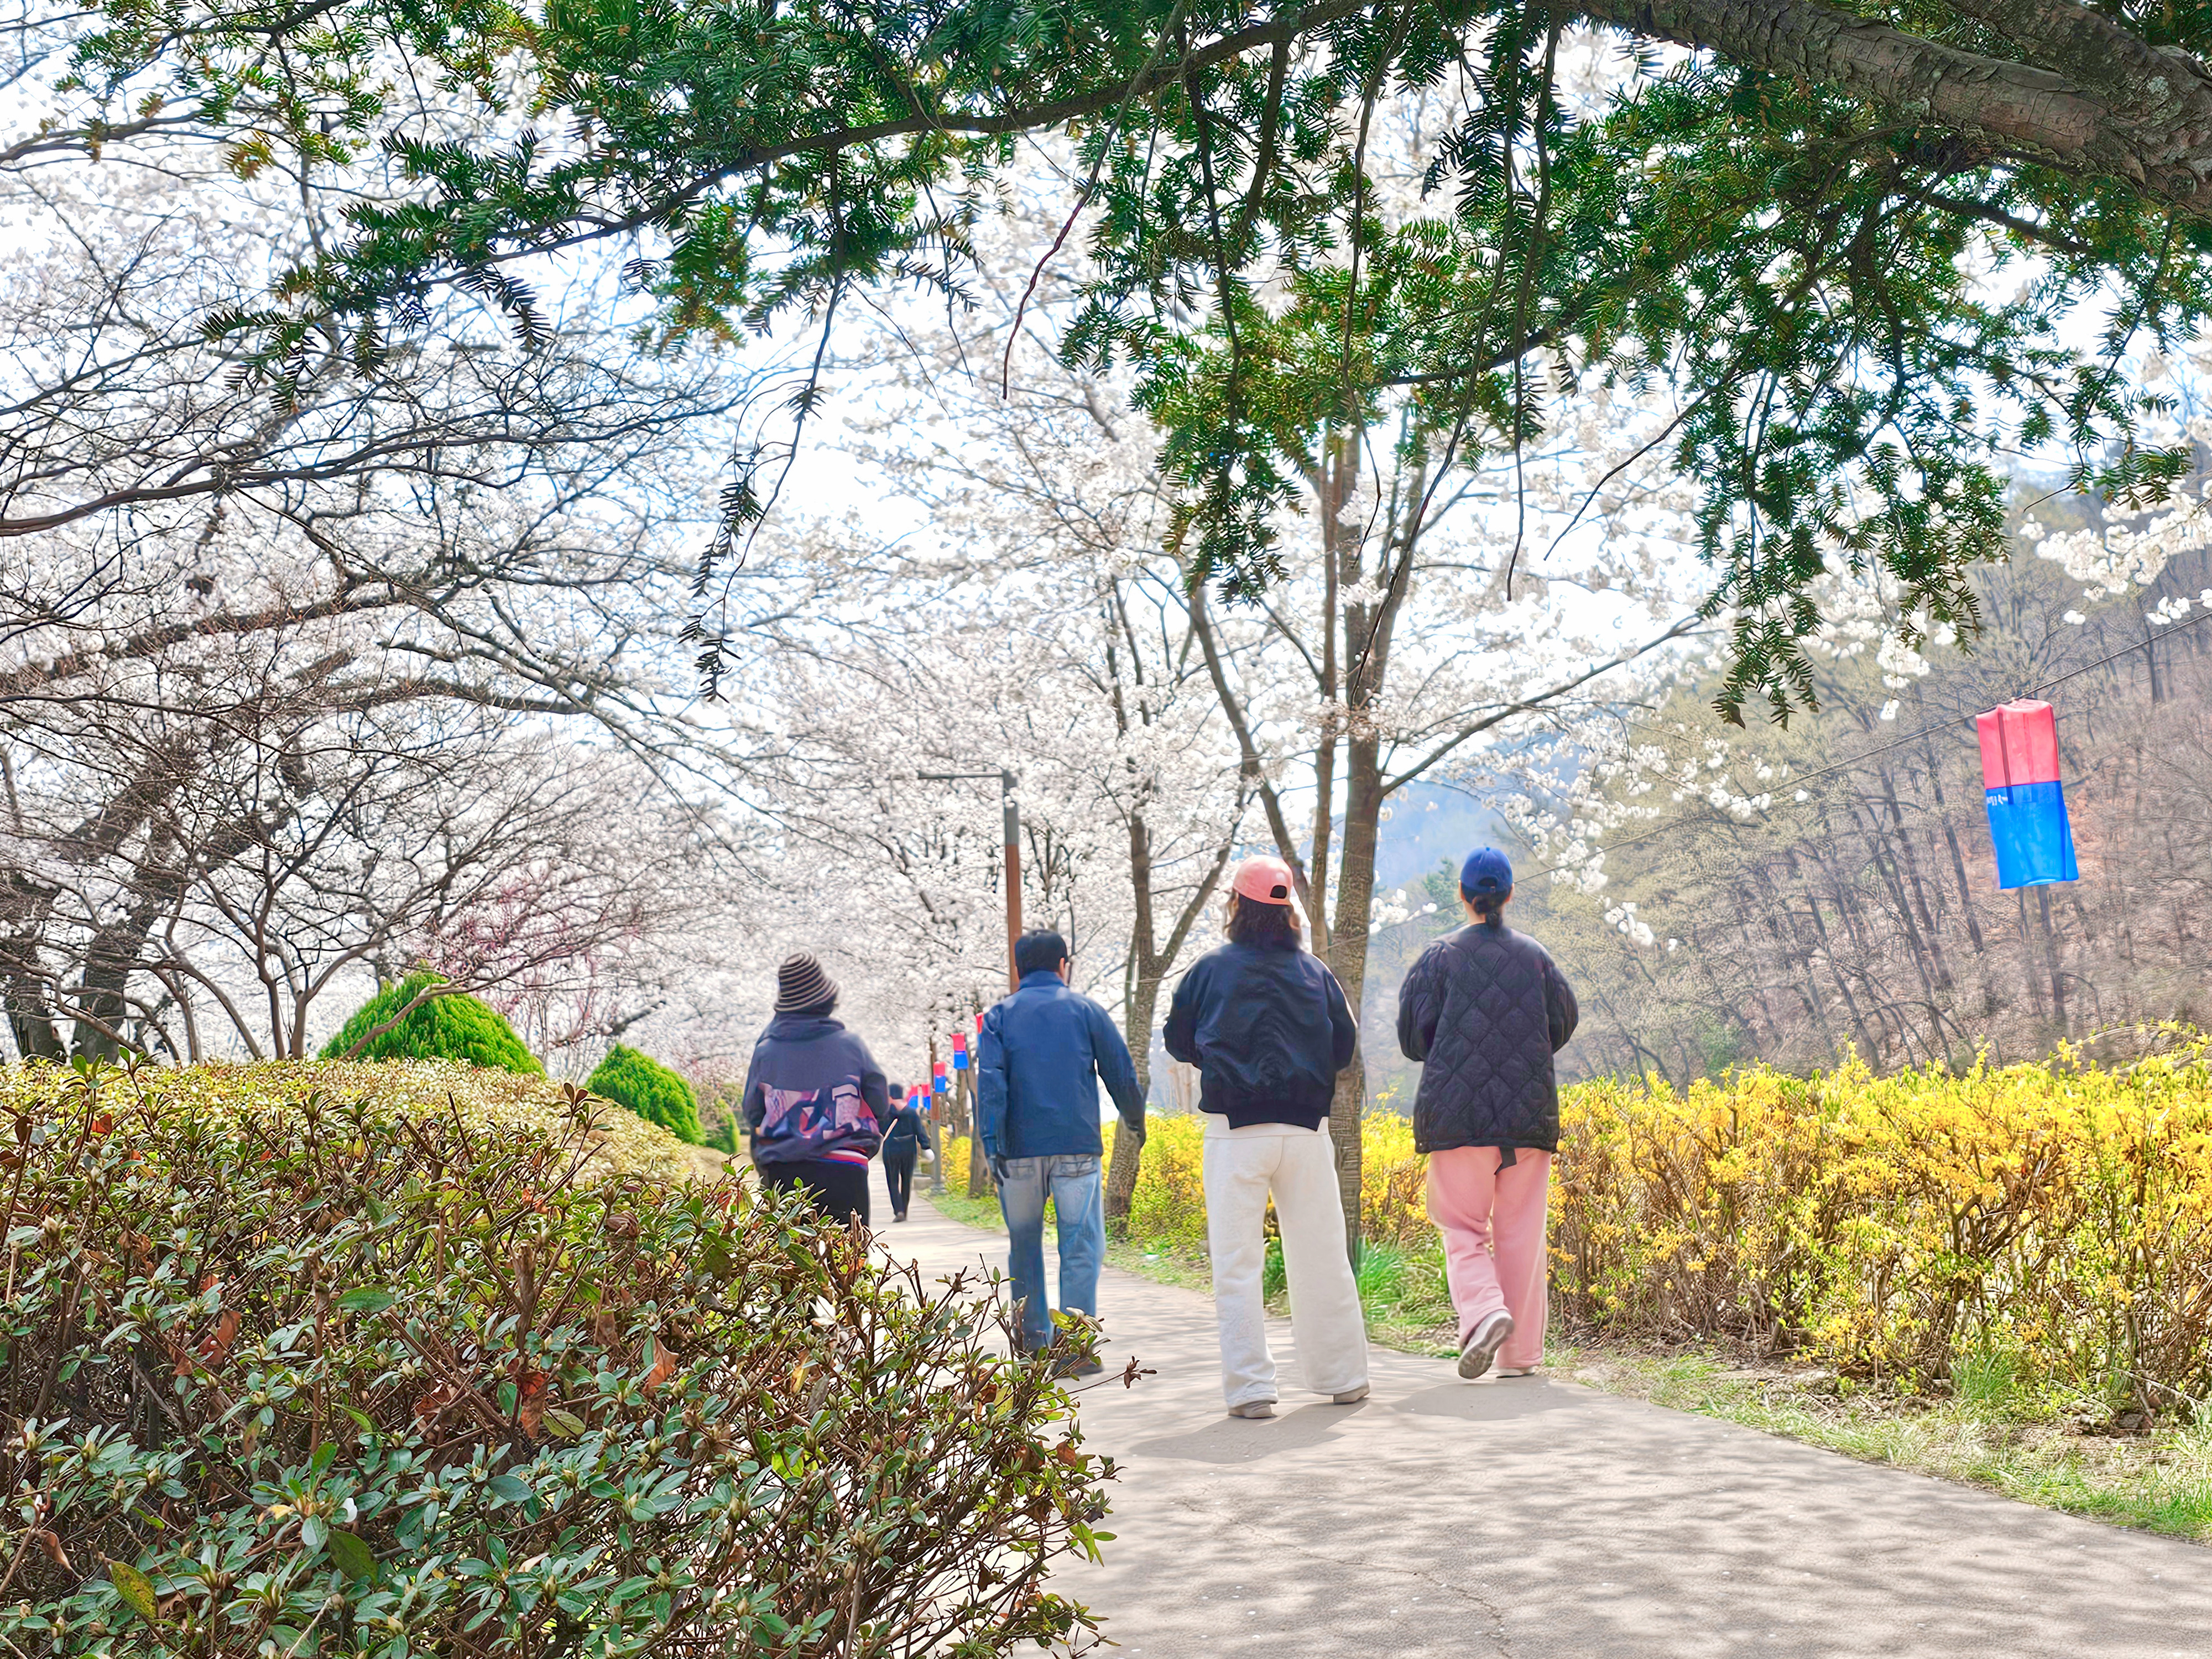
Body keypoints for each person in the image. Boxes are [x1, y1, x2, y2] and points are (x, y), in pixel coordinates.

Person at [1163, 855, 1368, 1419]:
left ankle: (1252, 1389)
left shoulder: (1208, 970)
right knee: (1322, 1256)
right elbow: (1344, 1047)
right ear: (1288, 909)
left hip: (1235, 1132)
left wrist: (1217, 1057)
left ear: (1235, 903)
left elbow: (1177, 1039)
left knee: (1236, 1263)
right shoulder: (1315, 972)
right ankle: (1345, 1376)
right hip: (1305, 1129)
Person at [1396, 847, 1578, 1381]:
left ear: (1462, 894)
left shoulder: (1439, 956)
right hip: (1529, 1116)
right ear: (1510, 894)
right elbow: (1563, 1022)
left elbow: (1412, 1038)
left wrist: (1453, 1049)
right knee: (1522, 1233)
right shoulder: (1537, 957)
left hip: (1458, 1118)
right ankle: (1518, 1357)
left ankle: (1483, 1312)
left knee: (1461, 1226)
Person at [977, 929, 1147, 1370]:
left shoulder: (998, 1017)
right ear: (1062, 965)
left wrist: (992, 1144)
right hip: (1076, 1145)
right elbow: (1120, 1071)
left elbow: (991, 1083)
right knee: (1080, 1246)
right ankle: (1074, 1348)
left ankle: (1032, 1346)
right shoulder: (1086, 1009)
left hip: (1017, 1151)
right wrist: (1135, 1119)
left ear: (1018, 970)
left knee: (1024, 1246)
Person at [742, 951, 890, 1225]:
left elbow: (753, 1112)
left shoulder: (766, 1051)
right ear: (826, 1000)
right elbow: (879, 1100)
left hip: (784, 1168)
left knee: (788, 1248)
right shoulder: (850, 1045)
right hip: (845, 1166)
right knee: (849, 1246)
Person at [879, 1084, 934, 1222]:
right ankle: (904, 1209)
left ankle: (898, 1211)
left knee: (892, 1180)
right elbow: (919, 1131)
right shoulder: (911, 1113)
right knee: (907, 1180)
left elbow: (881, 1129)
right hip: (909, 1147)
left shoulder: (886, 1114)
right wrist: (926, 1147)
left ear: (890, 1097)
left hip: (891, 1148)